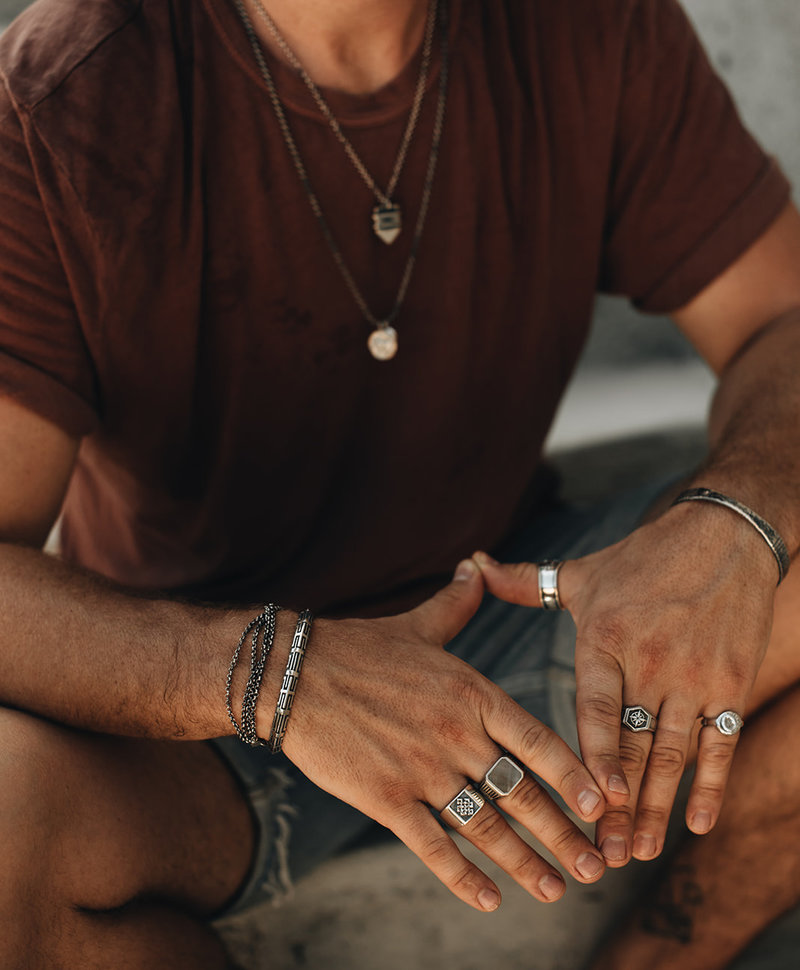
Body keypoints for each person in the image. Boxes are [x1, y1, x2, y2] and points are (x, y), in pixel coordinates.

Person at [0, 1, 798, 968]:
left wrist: (733, 519)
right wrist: (280, 676)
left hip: (507, 602)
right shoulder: (61, 95)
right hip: (197, 706)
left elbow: (780, 323)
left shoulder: (594, 21)